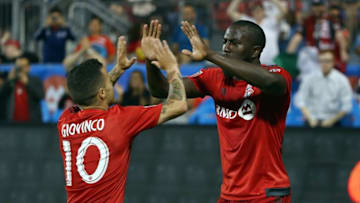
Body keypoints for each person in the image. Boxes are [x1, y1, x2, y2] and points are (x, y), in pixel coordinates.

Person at [144, 20, 292, 202]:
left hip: (267, 192)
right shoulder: (214, 78)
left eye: (234, 43)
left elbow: (271, 83)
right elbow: (162, 90)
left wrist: (210, 54)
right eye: (225, 41)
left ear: (254, 51)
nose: (226, 47)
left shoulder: (277, 75)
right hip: (230, 193)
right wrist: (149, 60)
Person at [57, 35, 187, 203]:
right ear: (102, 92)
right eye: (107, 78)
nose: (111, 83)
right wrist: (172, 68)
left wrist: (118, 68)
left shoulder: (65, 121)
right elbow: (179, 105)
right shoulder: (120, 120)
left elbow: (91, 94)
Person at [295, 50, 353, 128]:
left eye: (327, 61)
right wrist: (310, 118)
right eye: (321, 61)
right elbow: (300, 99)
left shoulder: (342, 80)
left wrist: (332, 120)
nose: (324, 64)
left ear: (333, 62)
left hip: (333, 121)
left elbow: (347, 105)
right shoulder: (309, 78)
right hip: (311, 119)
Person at [287, 0, 349, 72]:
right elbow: (297, 36)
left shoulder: (331, 20)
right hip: (312, 55)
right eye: (314, 6)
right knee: (306, 54)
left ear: (324, 7)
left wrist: (343, 51)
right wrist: (289, 53)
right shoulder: (307, 21)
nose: (316, 8)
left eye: (319, 6)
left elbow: (339, 35)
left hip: (327, 52)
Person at [227, 0, 288, 65]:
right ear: (252, 12)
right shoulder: (248, 22)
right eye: (255, 10)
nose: (257, 12)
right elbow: (230, 12)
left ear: (264, 11)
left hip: (271, 61)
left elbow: (284, 11)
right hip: (252, 62)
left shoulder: (271, 22)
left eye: (259, 10)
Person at [0, 55, 44, 122]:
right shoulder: (11, 82)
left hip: (32, 122)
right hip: (12, 122)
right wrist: (8, 80)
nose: (20, 69)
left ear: (28, 67)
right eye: (18, 66)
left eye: (23, 66)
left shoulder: (35, 80)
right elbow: (2, 95)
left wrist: (27, 83)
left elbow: (41, 96)